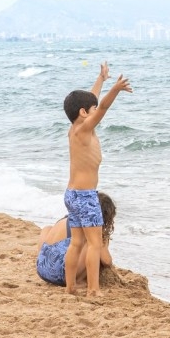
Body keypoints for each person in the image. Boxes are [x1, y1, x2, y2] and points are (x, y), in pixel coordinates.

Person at [62, 62, 131, 297]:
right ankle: (93, 290)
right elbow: (100, 108)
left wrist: (101, 79)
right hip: (85, 196)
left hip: (72, 195)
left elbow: (93, 101)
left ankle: (70, 287)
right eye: (89, 110)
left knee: (77, 243)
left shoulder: (75, 129)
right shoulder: (84, 130)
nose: (94, 114)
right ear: (83, 113)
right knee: (93, 244)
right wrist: (115, 89)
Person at [36, 192, 116, 287]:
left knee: (47, 228)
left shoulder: (69, 218)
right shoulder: (91, 227)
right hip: (60, 275)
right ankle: (78, 280)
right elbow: (106, 261)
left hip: (41, 268)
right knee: (93, 244)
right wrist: (104, 241)